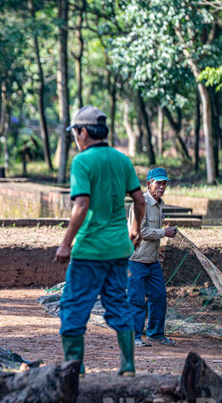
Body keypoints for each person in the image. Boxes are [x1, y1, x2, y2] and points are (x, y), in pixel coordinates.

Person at [55, 105, 146, 377]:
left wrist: (66, 243)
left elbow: (82, 205)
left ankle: (75, 368)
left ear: (83, 132)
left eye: (75, 132)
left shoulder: (82, 162)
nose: (75, 138)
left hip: (89, 250)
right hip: (119, 248)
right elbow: (140, 201)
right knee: (118, 303)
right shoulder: (122, 160)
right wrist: (136, 230)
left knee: (73, 305)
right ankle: (128, 366)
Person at [127, 168, 177, 347]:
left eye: (164, 183)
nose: (162, 187)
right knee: (136, 300)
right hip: (135, 260)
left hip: (152, 261)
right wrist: (164, 232)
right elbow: (138, 231)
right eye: (158, 183)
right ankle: (133, 337)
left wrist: (158, 251)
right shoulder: (140, 203)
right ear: (148, 184)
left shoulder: (159, 204)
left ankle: (155, 334)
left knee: (159, 297)